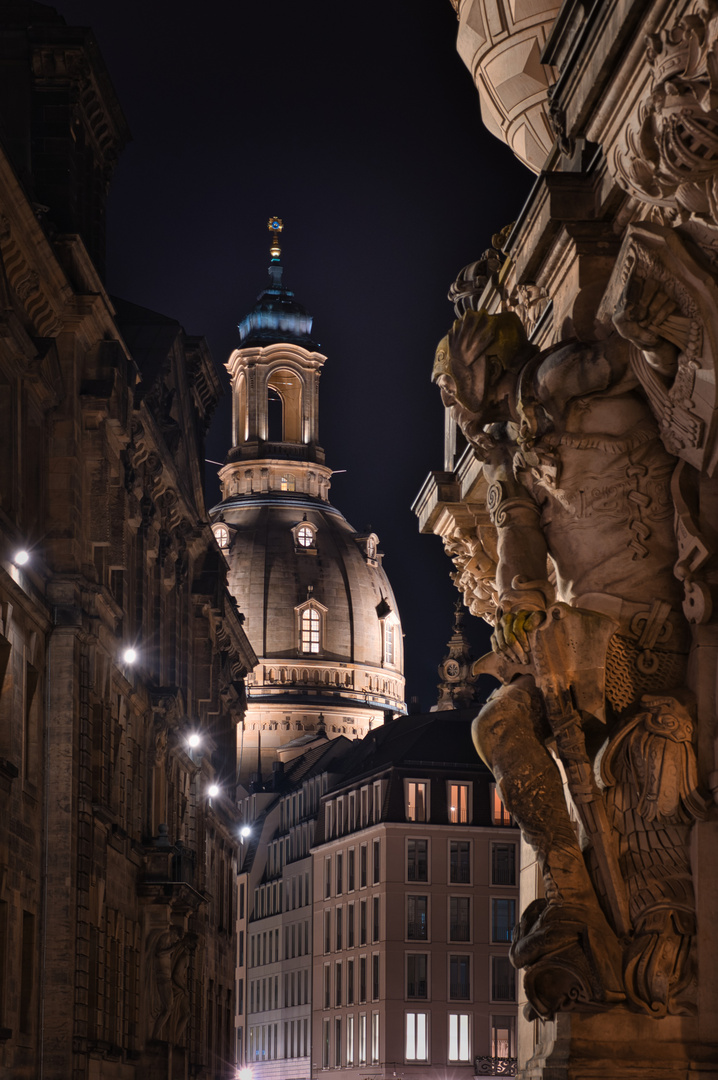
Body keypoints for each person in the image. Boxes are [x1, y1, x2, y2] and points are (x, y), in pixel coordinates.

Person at [433, 308, 702, 1017]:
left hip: (637, 633)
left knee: (499, 728)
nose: (467, 414)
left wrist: (645, 335)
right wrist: (519, 583)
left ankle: (574, 890)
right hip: (592, 631)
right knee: (497, 728)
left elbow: (625, 356)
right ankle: (570, 887)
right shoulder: (518, 454)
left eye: (464, 395)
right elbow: (520, 547)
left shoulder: (549, 385)